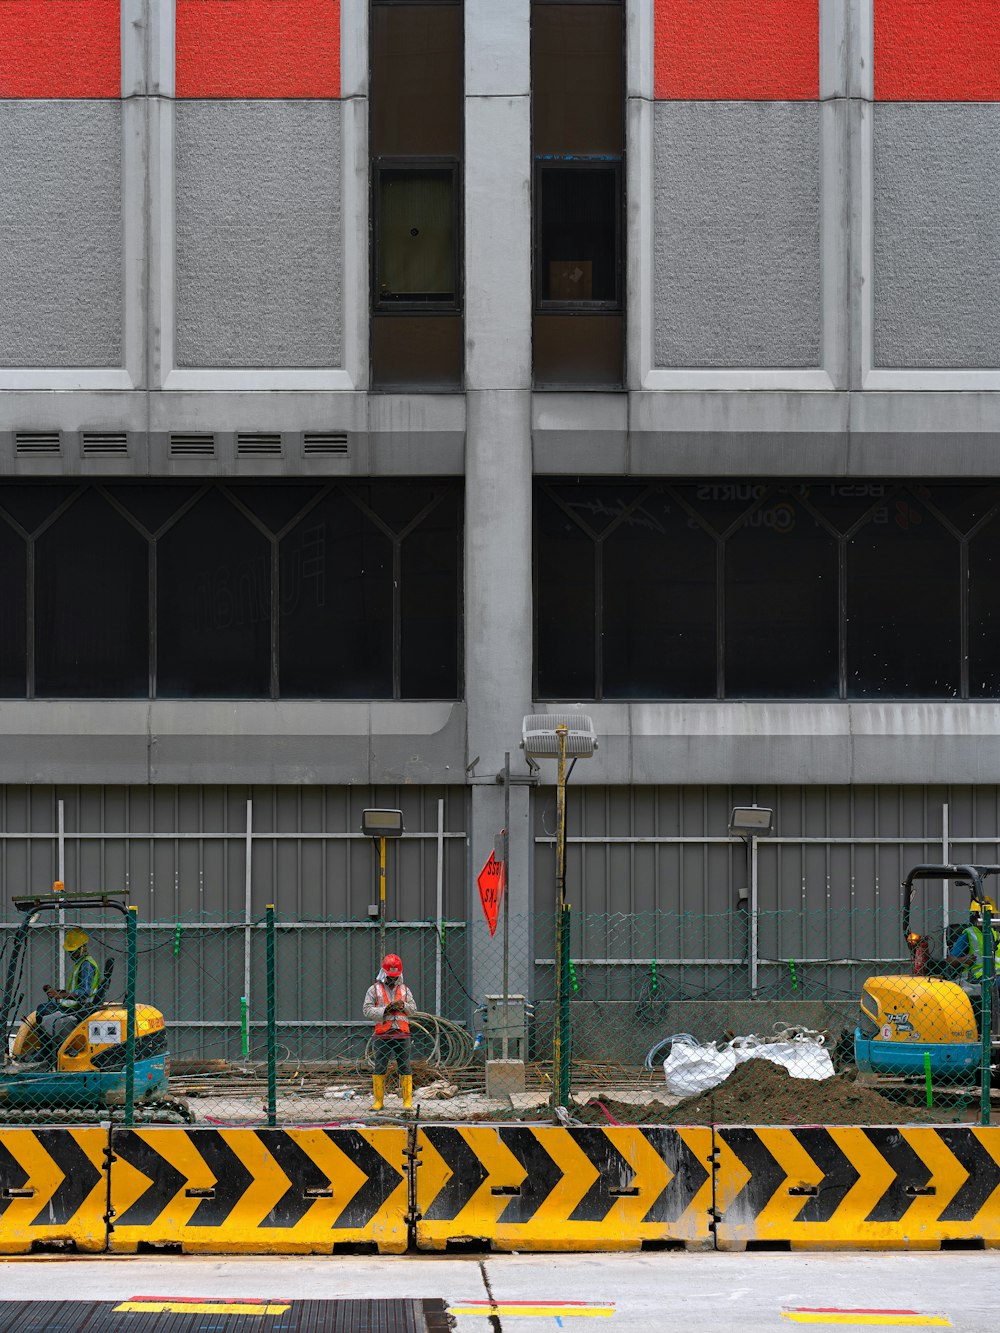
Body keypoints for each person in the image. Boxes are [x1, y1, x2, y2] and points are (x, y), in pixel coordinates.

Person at [32, 927, 101, 1064]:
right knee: (43, 1008)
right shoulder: (81, 963)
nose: (71, 954)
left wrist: (60, 995)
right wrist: (58, 992)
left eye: (73, 951)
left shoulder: (86, 965)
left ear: (82, 948)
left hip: (80, 1008)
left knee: (43, 1011)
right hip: (75, 1005)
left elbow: (85, 992)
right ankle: (49, 1049)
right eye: (69, 951)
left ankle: (47, 1052)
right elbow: (76, 988)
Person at [363, 953, 416, 1111]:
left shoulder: (405, 990)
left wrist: (403, 1006)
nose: (392, 979)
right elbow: (366, 1010)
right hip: (383, 1034)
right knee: (380, 1067)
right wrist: (385, 1010)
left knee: (405, 1067)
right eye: (390, 976)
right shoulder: (374, 989)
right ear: (384, 973)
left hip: (402, 1034)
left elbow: (413, 1009)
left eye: (395, 976)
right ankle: (378, 1102)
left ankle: (407, 1103)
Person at [948, 896, 1000, 1035]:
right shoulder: (969, 934)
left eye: (993, 914)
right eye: (990, 914)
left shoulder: (995, 934)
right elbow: (950, 960)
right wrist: (963, 959)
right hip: (978, 978)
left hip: (995, 976)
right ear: (978, 915)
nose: (993, 917)